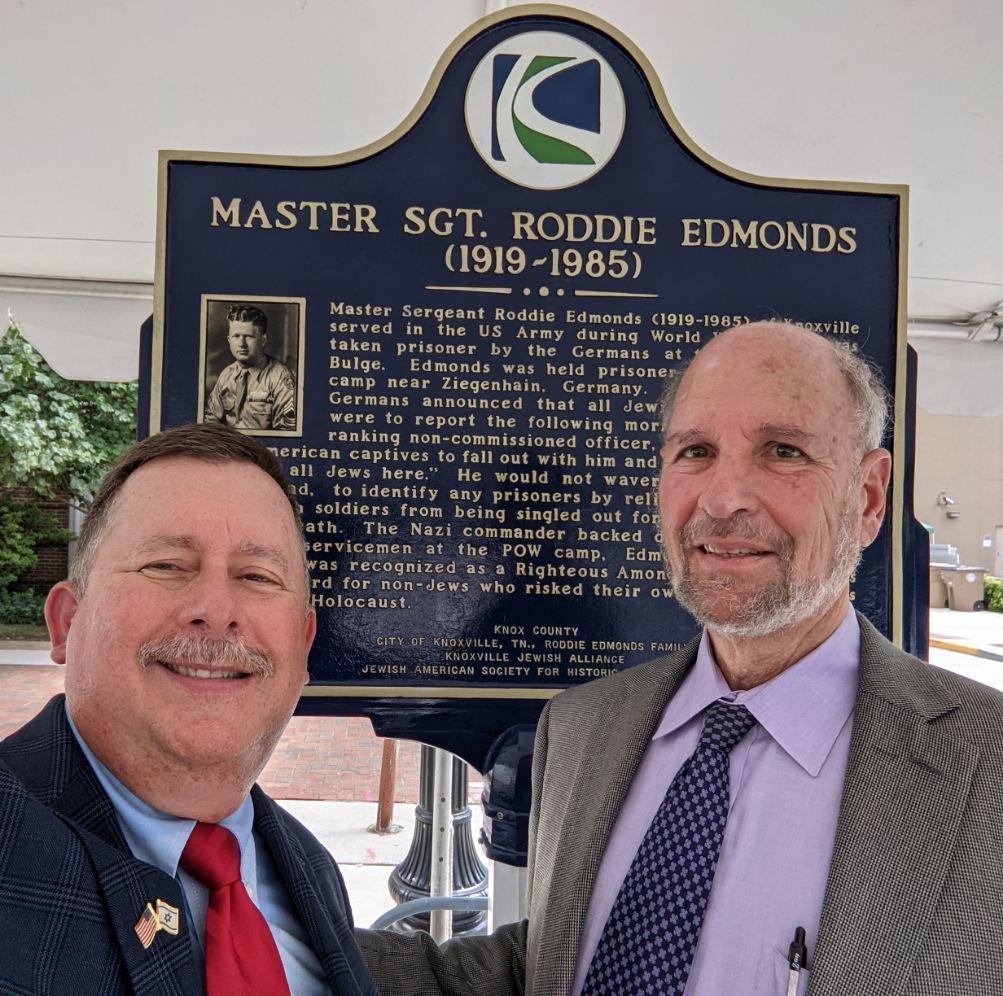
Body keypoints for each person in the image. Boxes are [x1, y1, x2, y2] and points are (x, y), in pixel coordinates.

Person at [357, 321, 1003, 995]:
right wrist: (289, 936)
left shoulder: (985, 766)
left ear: (867, 497)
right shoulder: (581, 727)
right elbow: (556, 964)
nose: (722, 499)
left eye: (783, 451)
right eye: (695, 451)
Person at [0, 423, 377, 995]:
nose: (216, 609)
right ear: (68, 623)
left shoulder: (310, 868)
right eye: (167, 565)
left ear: (303, 647)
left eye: (257, 576)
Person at [205, 304, 297, 431]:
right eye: (236, 336)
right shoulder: (226, 375)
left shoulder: (281, 378)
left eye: (248, 336)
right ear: (229, 339)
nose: (241, 344)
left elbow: (286, 434)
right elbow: (210, 422)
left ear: (263, 340)